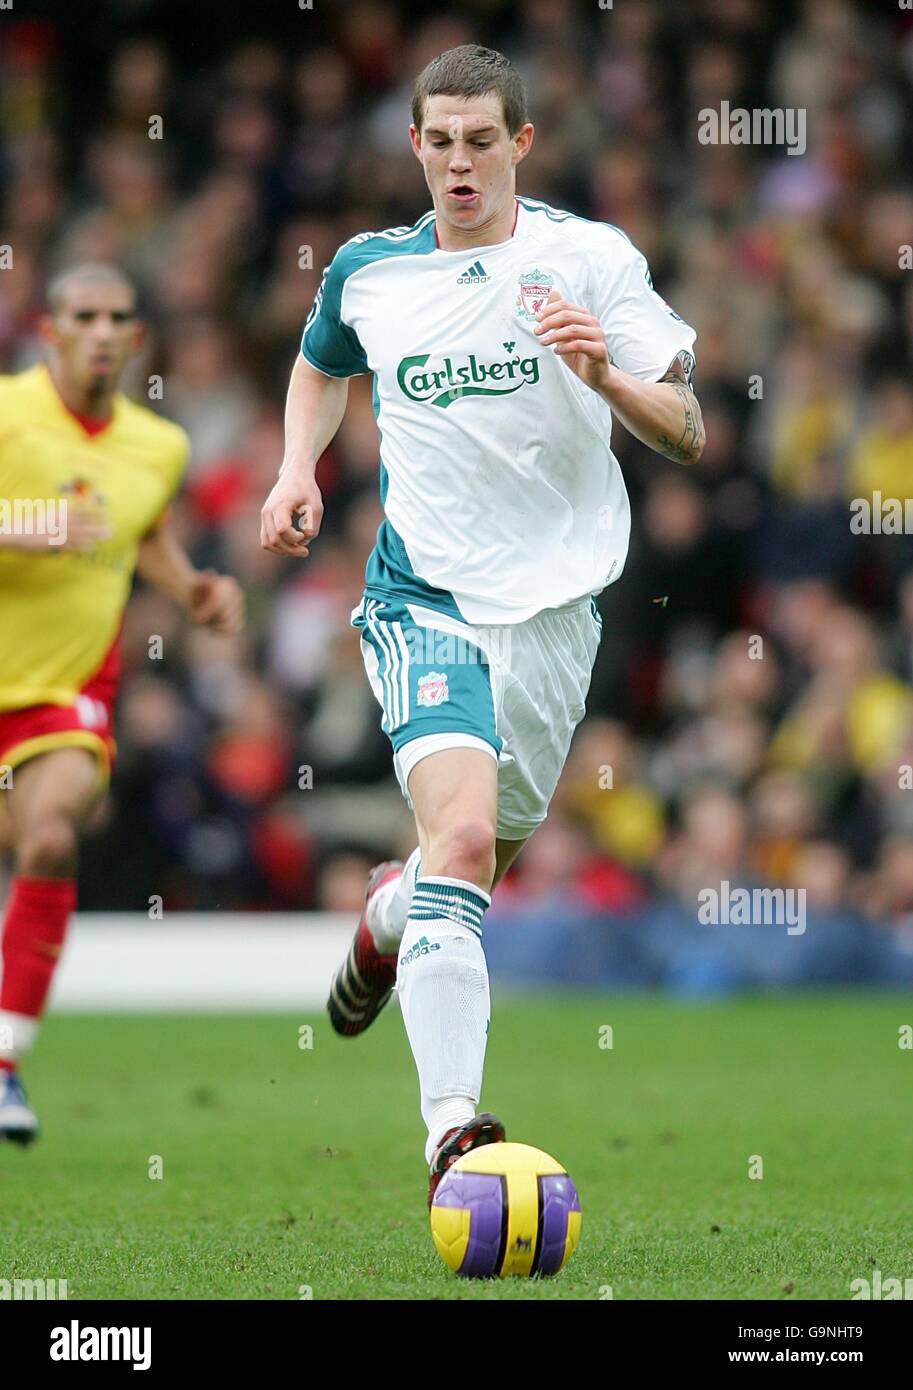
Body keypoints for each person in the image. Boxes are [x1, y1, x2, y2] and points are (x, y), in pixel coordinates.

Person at [260, 45, 703, 1205]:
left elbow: (690, 430)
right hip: (425, 599)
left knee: (467, 872)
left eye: (481, 140)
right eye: (439, 141)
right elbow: (319, 367)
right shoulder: (367, 271)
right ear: (415, 146)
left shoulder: (589, 258)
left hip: (555, 616)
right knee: (460, 841)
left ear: (522, 144)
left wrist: (604, 376)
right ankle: (454, 1135)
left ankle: (385, 919)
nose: (459, 162)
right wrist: (294, 470)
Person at [0, 262, 244, 1142]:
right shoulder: (5, 411)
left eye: (118, 318)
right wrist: (27, 526)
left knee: (53, 831)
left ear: (136, 338)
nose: (102, 331)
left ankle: (3, 1064)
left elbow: (144, 528)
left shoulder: (158, 445)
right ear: (50, 328)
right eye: (84, 315)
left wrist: (192, 591)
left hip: (63, 694)